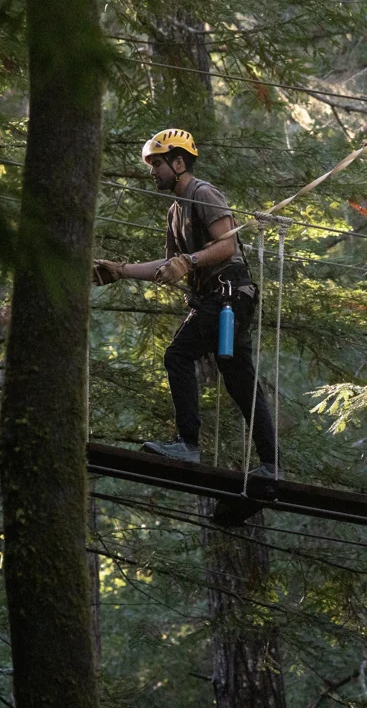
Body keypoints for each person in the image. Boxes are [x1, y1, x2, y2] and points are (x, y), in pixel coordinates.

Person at [92, 129, 277, 478]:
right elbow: (168, 266)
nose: (153, 172)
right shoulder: (175, 210)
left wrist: (189, 262)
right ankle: (271, 465)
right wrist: (121, 271)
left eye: (158, 163)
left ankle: (188, 444)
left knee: (178, 355)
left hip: (228, 294)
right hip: (221, 299)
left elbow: (227, 247)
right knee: (239, 382)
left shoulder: (202, 193)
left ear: (179, 162)